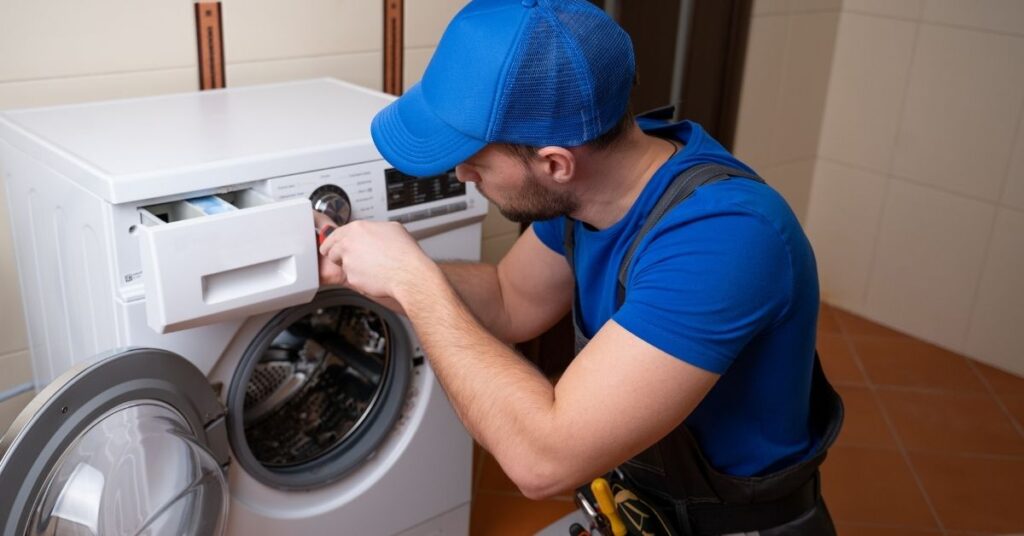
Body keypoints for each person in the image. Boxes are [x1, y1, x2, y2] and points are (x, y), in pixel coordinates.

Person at [316, 0, 842, 534]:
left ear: (555, 164)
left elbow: (540, 461)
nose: (462, 173)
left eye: (474, 157)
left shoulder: (726, 237)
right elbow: (508, 298)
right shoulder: (589, 192)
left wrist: (415, 282)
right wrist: (380, 270)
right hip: (636, 509)